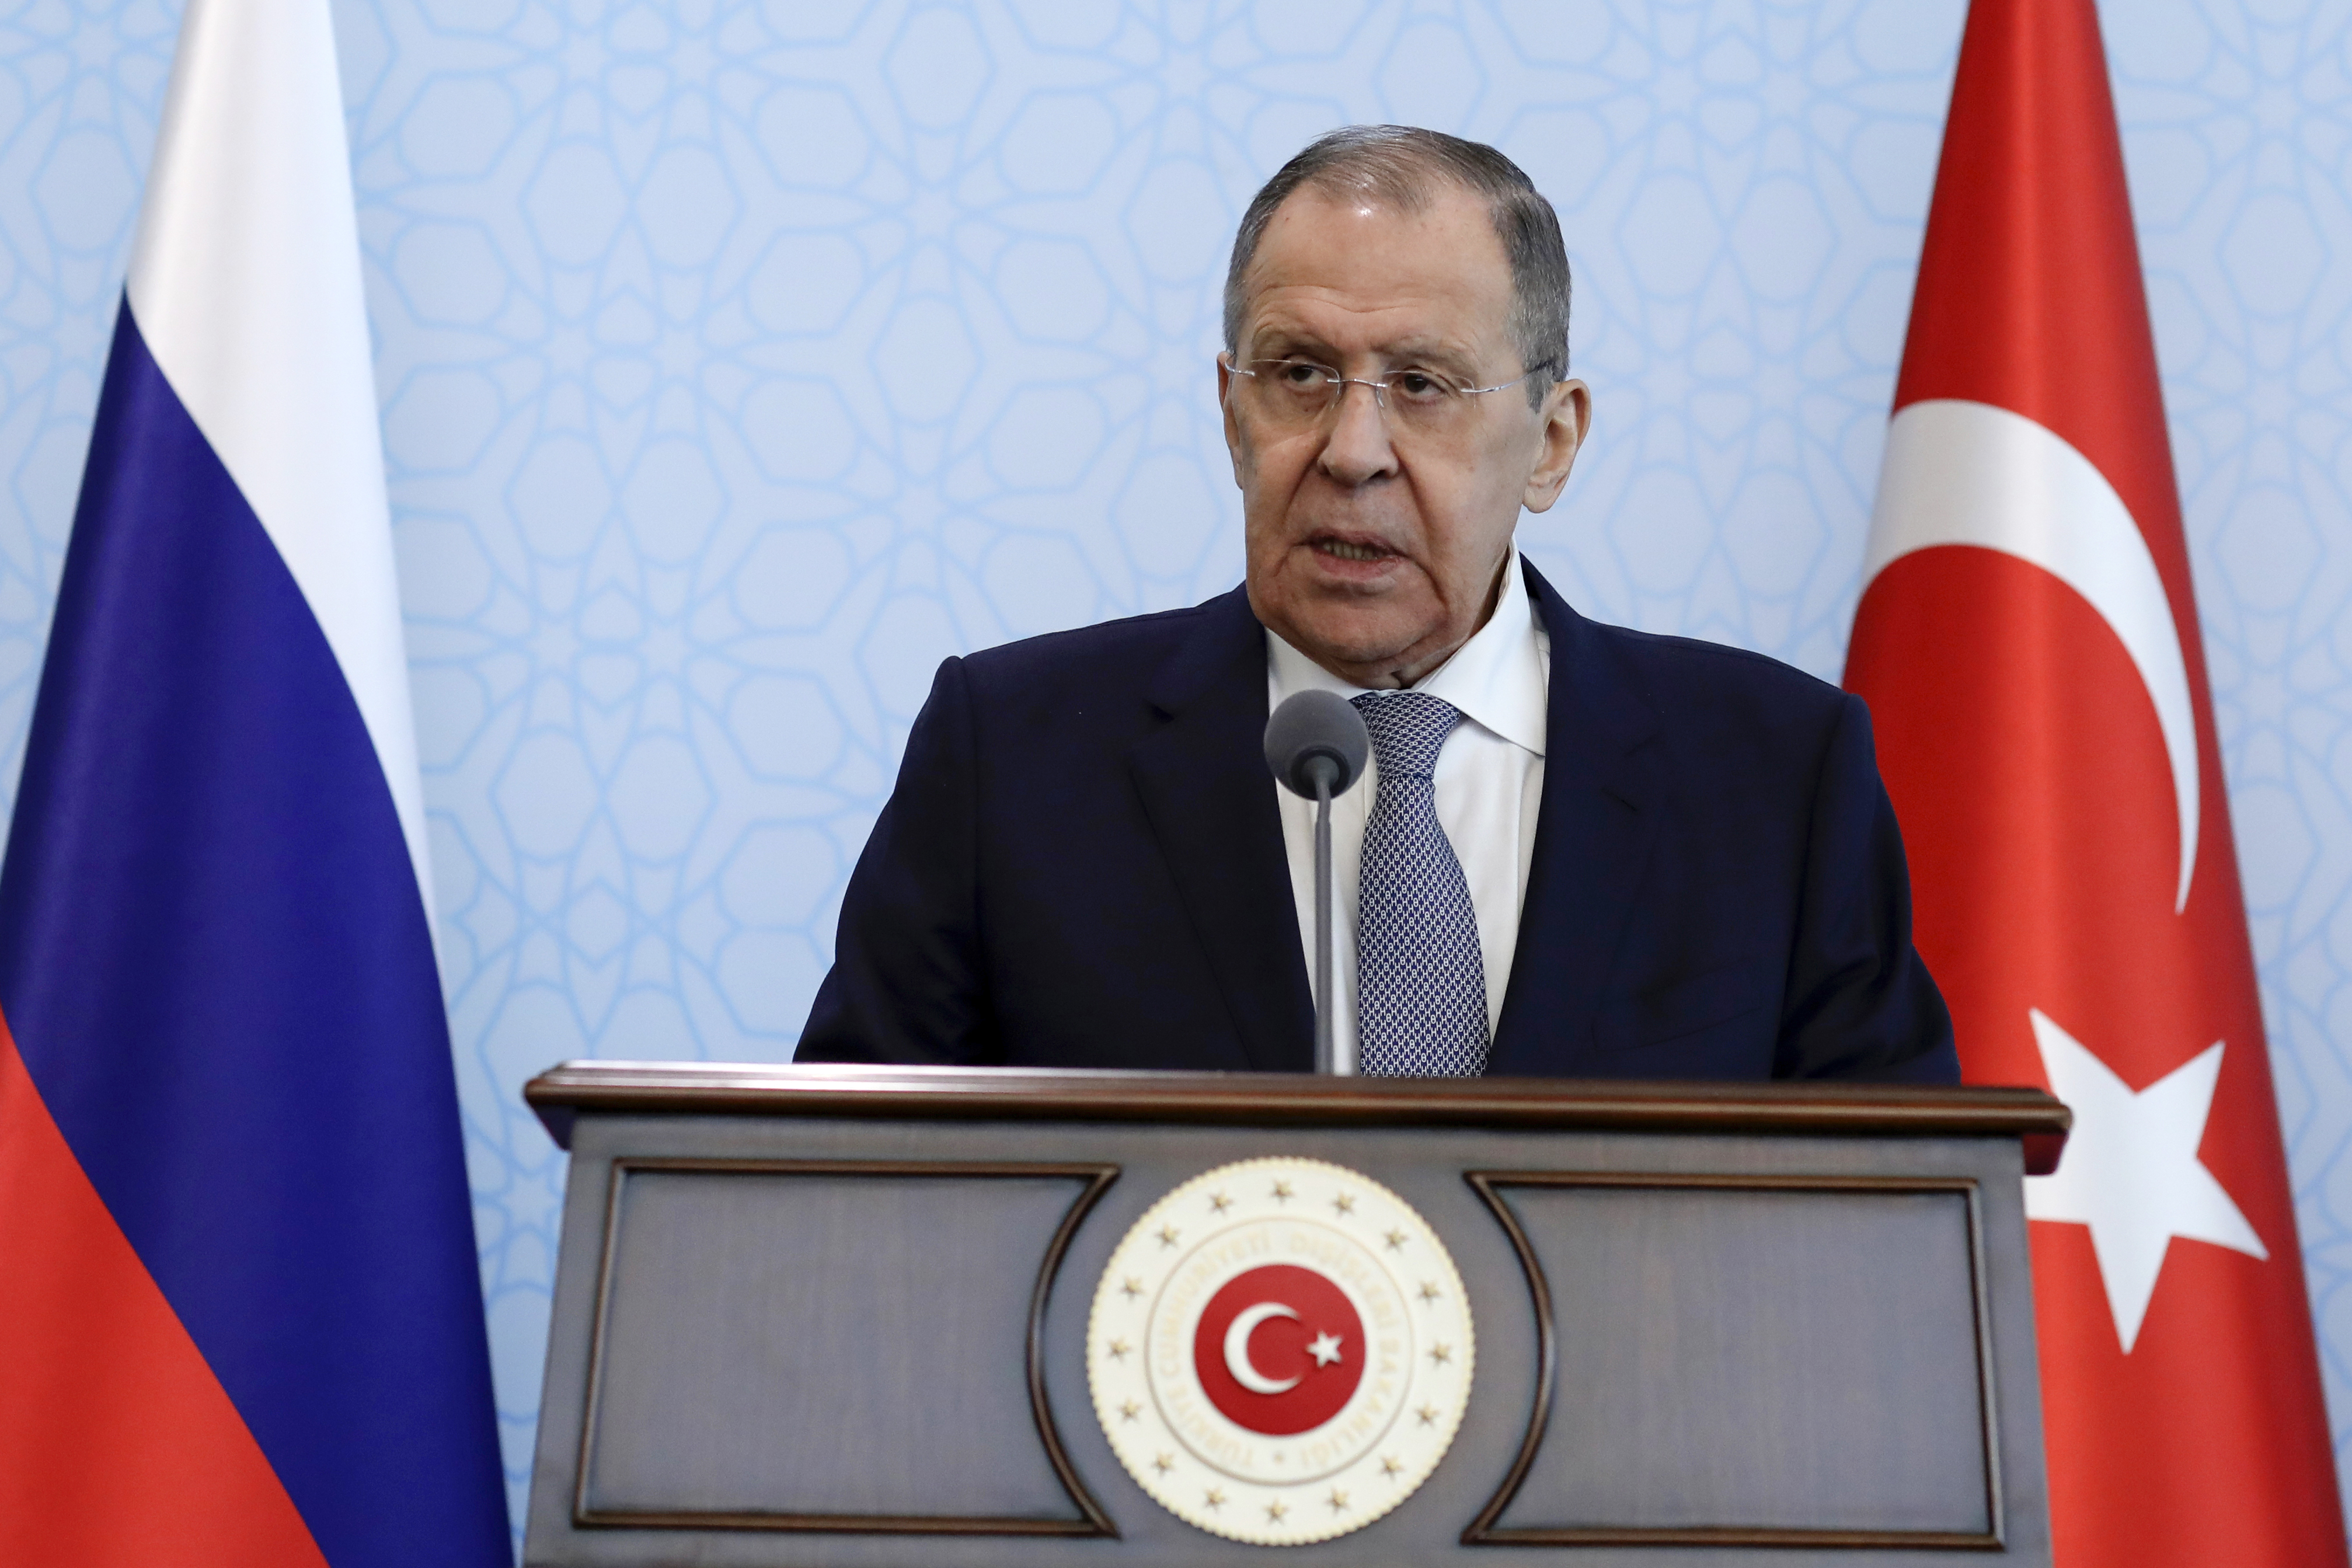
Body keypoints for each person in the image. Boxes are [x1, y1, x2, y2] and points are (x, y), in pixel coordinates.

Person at [795, 126, 1957, 1083]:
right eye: (1298, 372)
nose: (1352, 451)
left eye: (1421, 385)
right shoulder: (1009, 753)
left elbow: (1886, 1233)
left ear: (1550, 444)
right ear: (1229, 412)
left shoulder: (1775, 775)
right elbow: (855, 1203)